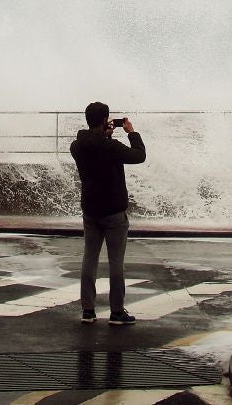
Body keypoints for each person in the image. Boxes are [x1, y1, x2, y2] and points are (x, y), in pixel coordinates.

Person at [70, 101, 146, 326]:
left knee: (89, 259)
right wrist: (131, 132)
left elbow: (93, 148)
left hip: (91, 211)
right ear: (104, 120)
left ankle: (88, 310)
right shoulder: (110, 147)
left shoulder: (77, 146)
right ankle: (116, 312)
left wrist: (106, 136)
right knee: (115, 263)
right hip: (113, 213)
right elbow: (138, 155)